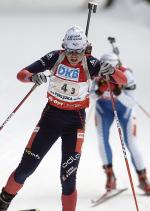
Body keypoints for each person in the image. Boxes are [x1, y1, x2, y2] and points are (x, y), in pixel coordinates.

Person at [0, 26, 127, 211]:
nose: (74, 56)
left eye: (79, 51)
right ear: (63, 47)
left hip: (75, 123)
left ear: (85, 49)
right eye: (70, 51)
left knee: (68, 178)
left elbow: (122, 81)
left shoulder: (91, 63)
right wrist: (32, 77)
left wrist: (112, 71)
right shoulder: (55, 57)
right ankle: (2, 203)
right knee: (26, 168)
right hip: (51, 118)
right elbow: (22, 74)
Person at [90, 52, 150, 195]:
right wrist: (99, 91)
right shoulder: (95, 73)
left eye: (112, 69)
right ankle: (110, 176)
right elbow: (89, 96)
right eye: (105, 69)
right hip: (104, 110)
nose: (108, 73)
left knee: (131, 142)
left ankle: (143, 178)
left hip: (125, 111)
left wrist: (118, 92)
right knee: (102, 139)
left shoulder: (126, 74)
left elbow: (131, 102)